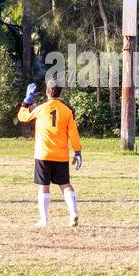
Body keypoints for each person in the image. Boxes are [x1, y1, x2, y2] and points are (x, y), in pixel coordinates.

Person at [16, 79, 82, 227]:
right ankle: (73, 213)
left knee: (44, 186)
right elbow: (74, 133)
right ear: (61, 93)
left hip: (43, 154)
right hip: (61, 155)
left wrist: (26, 101)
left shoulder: (41, 108)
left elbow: (23, 117)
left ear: (47, 92)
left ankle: (44, 220)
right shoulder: (67, 111)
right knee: (65, 184)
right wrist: (77, 151)